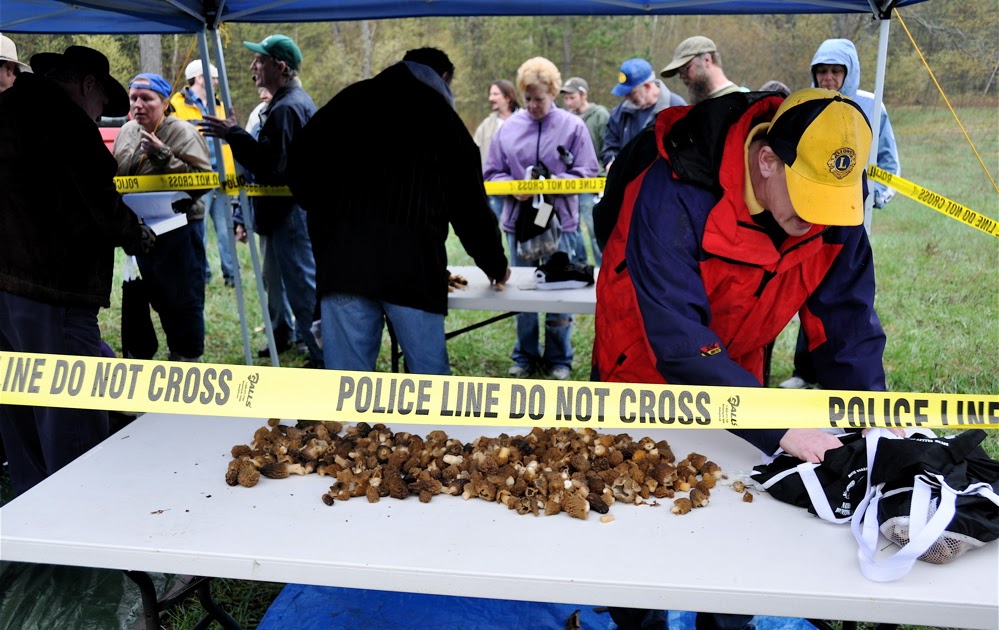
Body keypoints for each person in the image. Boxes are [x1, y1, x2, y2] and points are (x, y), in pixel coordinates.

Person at [594, 87, 904, 629]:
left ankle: (728, 620)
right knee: (636, 518)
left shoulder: (834, 205)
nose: (818, 220)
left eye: (832, 203)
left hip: (738, 367)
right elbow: (678, 338)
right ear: (766, 161)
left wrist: (870, 421)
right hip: (640, 362)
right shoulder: (675, 189)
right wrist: (780, 423)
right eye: (807, 198)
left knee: (740, 512)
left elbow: (847, 330)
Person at [288, 48, 509, 375]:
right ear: (444, 78)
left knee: (346, 390)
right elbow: (469, 205)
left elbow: (298, 164)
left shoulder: (350, 101)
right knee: (429, 389)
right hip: (413, 269)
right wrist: (494, 263)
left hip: (344, 262)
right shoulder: (442, 119)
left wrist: (328, 218)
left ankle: (351, 428)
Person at [0, 45, 152, 496]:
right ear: (88, 85)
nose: (100, 115)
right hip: (52, 288)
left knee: (19, 402)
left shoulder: (8, 109)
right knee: (72, 408)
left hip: (7, 284)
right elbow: (96, 204)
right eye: (102, 105)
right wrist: (135, 231)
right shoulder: (63, 121)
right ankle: (80, 515)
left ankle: (34, 506)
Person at [780, 38, 903, 391]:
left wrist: (874, 197)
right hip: (811, 215)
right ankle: (805, 371)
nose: (829, 78)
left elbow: (889, 162)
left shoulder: (872, 106)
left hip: (852, 217)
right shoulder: (806, 105)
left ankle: (844, 379)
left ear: (849, 72)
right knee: (809, 289)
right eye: (822, 71)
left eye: (836, 71)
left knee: (847, 295)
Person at [198, 34, 324, 368]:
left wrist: (233, 134)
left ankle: (324, 356)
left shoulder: (287, 108)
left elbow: (272, 166)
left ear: (280, 68)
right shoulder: (285, 104)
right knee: (293, 285)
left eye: (260, 60)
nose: (254, 66)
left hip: (290, 214)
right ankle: (314, 348)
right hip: (285, 213)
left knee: (302, 289)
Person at [483, 57, 599, 380]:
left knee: (559, 292)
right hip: (519, 226)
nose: (534, 106)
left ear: (554, 93)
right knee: (523, 293)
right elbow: (492, 173)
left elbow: (588, 172)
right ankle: (525, 355)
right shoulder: (508, 129)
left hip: (562, 224)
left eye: (541, 99)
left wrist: (556, 185)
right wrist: (514, 188)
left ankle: (559, 358)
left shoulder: (573, 127)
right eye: (529, 99)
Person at [114, 72, 212, 362]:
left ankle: (186, 357)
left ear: (165, 102)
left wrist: (163, 155)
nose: (138, 105)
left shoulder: (182, 132)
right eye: (134, 98)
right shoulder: (127, 131)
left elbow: (203, 180)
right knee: (155, 295)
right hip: (142, 230)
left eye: (147, 99)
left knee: (183, 299)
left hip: (180, 229)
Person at [170, 59, 238, 288]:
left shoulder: (220, 104)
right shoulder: (176, 104)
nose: (217, 82)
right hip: (196, 179)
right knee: (199, 231)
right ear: (200, 78)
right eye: (214, 78)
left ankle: (232, 276)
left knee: (226, 229)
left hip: (223, 177)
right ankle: (204, 275)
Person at [602, 58, 685, 170]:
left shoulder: (676, 109)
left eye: (631, 93)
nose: (626, 98)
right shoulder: (620, 113)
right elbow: (610, 146)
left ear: (647, 86)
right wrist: (610, 161)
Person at [560, 76, 609, 266]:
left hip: (594, 182)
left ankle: (602, 267)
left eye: (572, 97)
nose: (568, 102)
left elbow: (608, 148)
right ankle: (578, 265)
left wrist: (603, 179)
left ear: (583, 95)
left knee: (594, 228)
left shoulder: (600, 116)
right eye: (565, 98)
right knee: (572, 229)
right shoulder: (565, 119)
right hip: (569, 182)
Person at [473, 80, 521, 222]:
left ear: (508, 97)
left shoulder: (526, 121)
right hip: (494, 190)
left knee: (523, 231)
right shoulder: (486, 125)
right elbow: (473, 155)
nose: (490, 98)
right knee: (490, 229)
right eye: (490, 94)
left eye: (495, 94)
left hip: (523, 190)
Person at [660, 36, 746, 104]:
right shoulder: (704, 103)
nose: (682, 76)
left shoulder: (736, 104)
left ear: (707, 60)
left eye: (685, 69)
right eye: (679, 72)